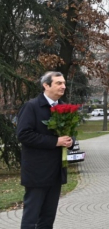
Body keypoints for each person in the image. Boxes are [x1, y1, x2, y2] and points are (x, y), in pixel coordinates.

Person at [16, 71, 74, 229]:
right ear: (46, 85)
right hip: (37, 172)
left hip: (56, 172)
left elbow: (70, 134)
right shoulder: (32, 106)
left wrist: (70, 142)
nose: (63, 86)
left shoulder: (64, 107)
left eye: (63, 83)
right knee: (31, 217)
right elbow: (24, 135)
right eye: (58, 83)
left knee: (48, 218)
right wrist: (55, 141)